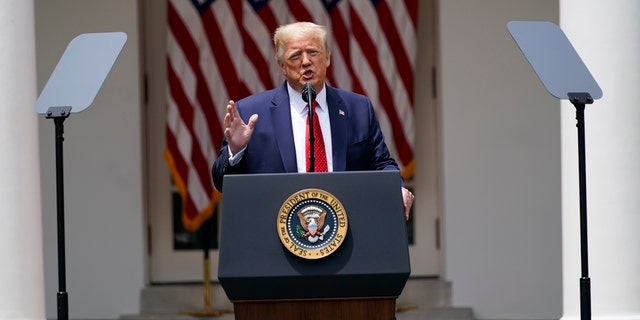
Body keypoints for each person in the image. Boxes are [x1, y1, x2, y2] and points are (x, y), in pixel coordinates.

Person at [211, 21, 414, 220]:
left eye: (313, 52)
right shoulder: (251, 113)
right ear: (281, 66)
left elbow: (382, 164)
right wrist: (235, 152)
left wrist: (396, 187)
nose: (306, 61)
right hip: (274, 238)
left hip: (346, 232)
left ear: (327, 58)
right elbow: (222, 183)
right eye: (296, 55)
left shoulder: (358, 109)